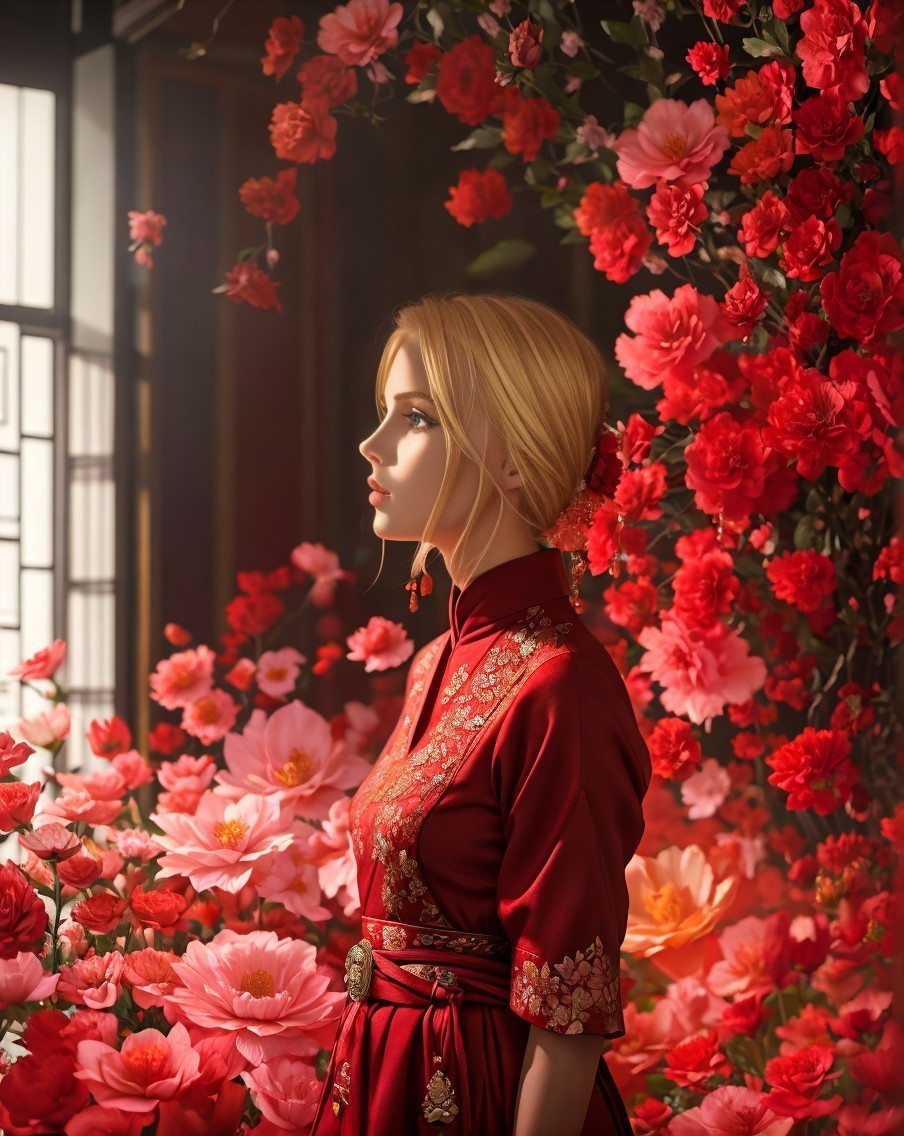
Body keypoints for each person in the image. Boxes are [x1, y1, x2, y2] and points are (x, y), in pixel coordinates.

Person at [310, 292, 651, 1136]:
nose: (373, 444)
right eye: (385, 413)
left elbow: (568, 1016)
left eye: (415, 417)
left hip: (479, 1095)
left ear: (514, 457)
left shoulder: (561, 684)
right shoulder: (437, 660)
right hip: (380, 1078)